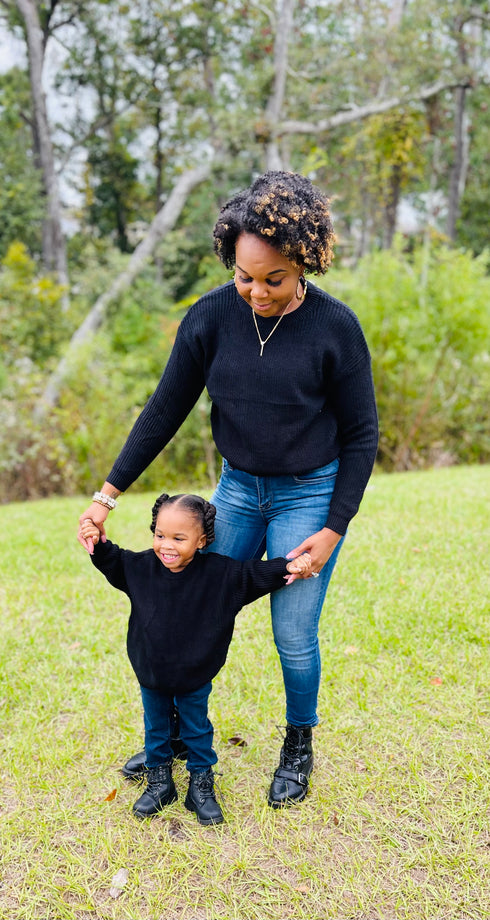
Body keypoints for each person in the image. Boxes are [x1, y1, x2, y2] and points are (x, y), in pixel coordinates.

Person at [78, 170, 378, 809]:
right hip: (238, 491)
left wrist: (332, 528)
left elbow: (361, 436)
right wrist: (108, 493)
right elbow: (165, 408)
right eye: (245, 276)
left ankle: (299, 741)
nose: (257, 292)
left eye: (274, 278)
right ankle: (181, 741)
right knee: (190, 606)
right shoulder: (213, 317)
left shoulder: (335, 328)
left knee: (292, 632)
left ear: (305, 260)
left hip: (309, 495)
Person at [81, 492, 312, 824]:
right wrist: (96, 540)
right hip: (151, 673)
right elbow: (112, 559)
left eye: (178, 537)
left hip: (195, 675)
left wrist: (290, 566)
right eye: (160, 535)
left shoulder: (220, 574)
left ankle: (200, 786)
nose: (166, 545)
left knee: (197, 731)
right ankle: (160, 783)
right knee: (156, 729)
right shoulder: (141, 567)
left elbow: (254, 574)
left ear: (201, 539)